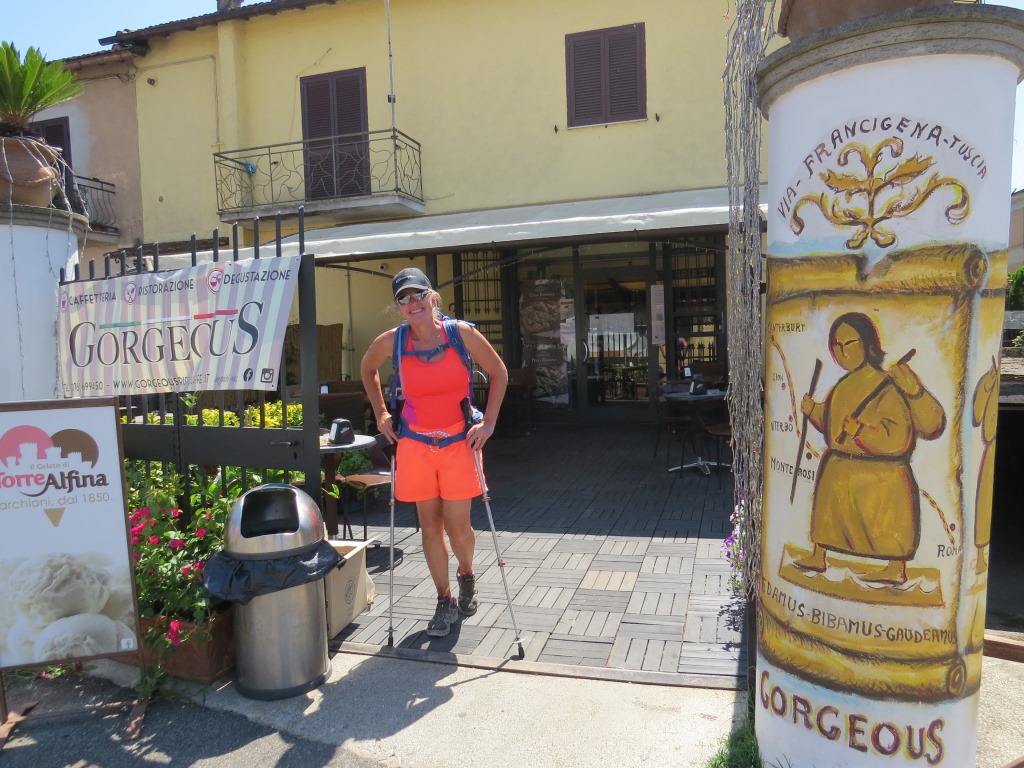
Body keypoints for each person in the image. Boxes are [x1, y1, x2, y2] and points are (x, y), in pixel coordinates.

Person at [361, 268, 508, 637]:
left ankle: (466, 573)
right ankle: (444, 599)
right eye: (403, 298)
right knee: (430, 527)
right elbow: (368, 369)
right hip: (416, 445)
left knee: (459, 530)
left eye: (418, 294)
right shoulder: (392, 341)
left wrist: (489, 423)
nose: (412, 303)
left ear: (432, 297)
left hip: (459, 443)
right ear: (398, 307)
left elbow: (498, 371)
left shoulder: (461, 334)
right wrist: (381, 414)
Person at [794, 312, 945, 585]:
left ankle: (895, 568)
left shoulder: (887, 385)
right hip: (841, 467)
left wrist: (861, 432)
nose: (843, 352)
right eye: (837, 345)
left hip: (881, 474)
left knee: (887, 523)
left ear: (868, 344)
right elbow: (831, 422)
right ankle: (819, 555)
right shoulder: (843, 385)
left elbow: (898, 436)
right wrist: (813, 410)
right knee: (829, 517)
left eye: (850, 343)